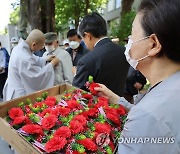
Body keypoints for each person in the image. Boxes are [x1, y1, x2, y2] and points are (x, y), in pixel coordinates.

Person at [94, 0, 180, 153]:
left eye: (133, 33)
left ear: (153, 44)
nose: (129, 41)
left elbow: (149, 119)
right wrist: (117, 99)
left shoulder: (148, 116)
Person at [73, 12, 129, 96]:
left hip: (99, 107)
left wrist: (76, 74)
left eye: (82, 38)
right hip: (119, 104)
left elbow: (77, 93)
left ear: (88, 35)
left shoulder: (87, 61)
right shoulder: (123, 51)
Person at [3, 29, 59, 101]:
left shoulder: (19, 48)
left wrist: (45, 59)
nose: (41, 49)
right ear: (34, 44)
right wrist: (51, 64)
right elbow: (37, 76)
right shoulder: (24, 58)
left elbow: (32, 58)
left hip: (13, 87)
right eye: (41, 46)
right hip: (18, 94)